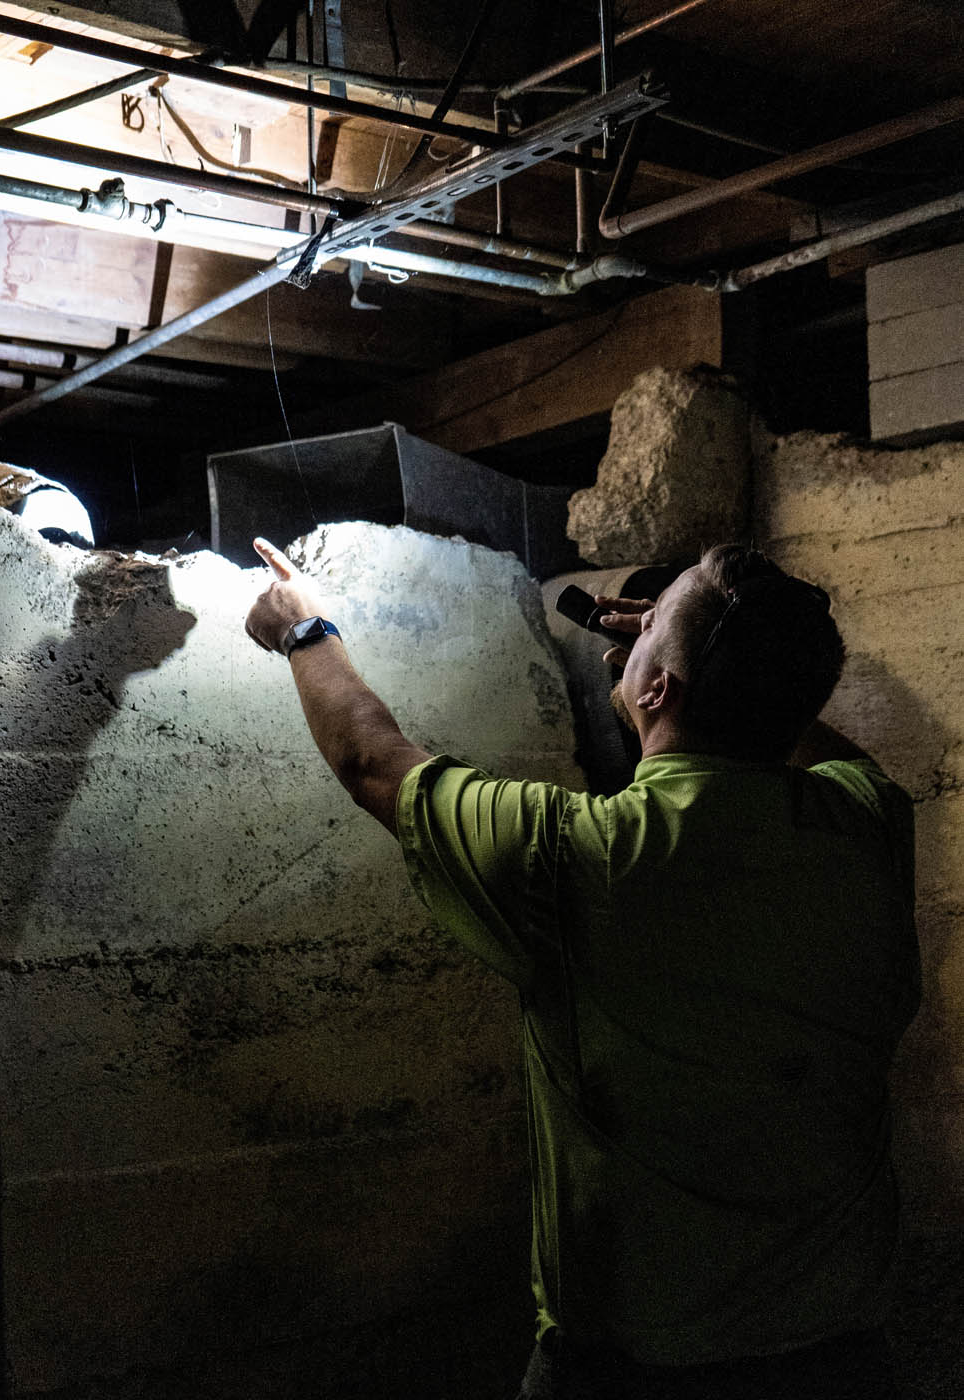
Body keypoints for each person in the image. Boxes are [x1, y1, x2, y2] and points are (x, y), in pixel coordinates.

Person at [244, 536, 920, 1400]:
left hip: (634, 1368)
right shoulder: (866, 825)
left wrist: (304, 630)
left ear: (653, 689)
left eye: (647, 639)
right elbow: (810, 744)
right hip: (842, 1354)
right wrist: (711, 660)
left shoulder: (577, 860)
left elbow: (374, 761)